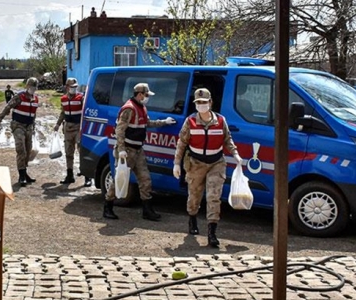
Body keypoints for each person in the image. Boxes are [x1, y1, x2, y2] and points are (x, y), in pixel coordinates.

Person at [172, 88, 243, 248]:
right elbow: (181, 143)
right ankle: (192, 219)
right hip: (196, 163)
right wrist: (176, 163)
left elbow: (227, 139)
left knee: (213, 196)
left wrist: (235, 154)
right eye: (199, 103)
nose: (202, 105)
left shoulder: (220, 120)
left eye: (204, 102)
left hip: (216, 163)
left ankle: (212, 233)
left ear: (210, 103)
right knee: (194, 196)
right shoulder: (190, 121)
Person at [103, 83, 176, 221]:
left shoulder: (141, 107)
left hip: (138, 150)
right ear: (140, 94)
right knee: (119, 180)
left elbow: (147, 124)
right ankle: (108, 206)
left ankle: (147, 210)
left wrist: (164, 122)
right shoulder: (129, 109)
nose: (148, 98)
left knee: (145, 180)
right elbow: (119, 130)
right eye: (147, 95)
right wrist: (122, 150)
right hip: (128, 151)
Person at [0, 77, 39, 186]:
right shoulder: (19, 97)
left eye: (34, 87)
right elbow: (8, 107)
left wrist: (34, 126)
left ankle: (24, 171)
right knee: (21, 150)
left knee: (28, 150)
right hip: (18, 125)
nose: (32, 89)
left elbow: (34, 113)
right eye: (31, 87)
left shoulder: (35, 99)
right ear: (27, 86)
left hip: (29, 126)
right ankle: (21, 175)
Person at [54, 77, 91, 186]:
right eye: (72, 87)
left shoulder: (81, 98)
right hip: (68, 128)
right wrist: (58, 124)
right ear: (67, 87)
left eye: (75, 87)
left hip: (78, 128)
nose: (74, 89)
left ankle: (87, 177)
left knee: (82, 151)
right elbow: (63, 113)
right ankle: (70, 175)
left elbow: (86, 111)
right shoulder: (64, 99)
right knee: (68, 152)